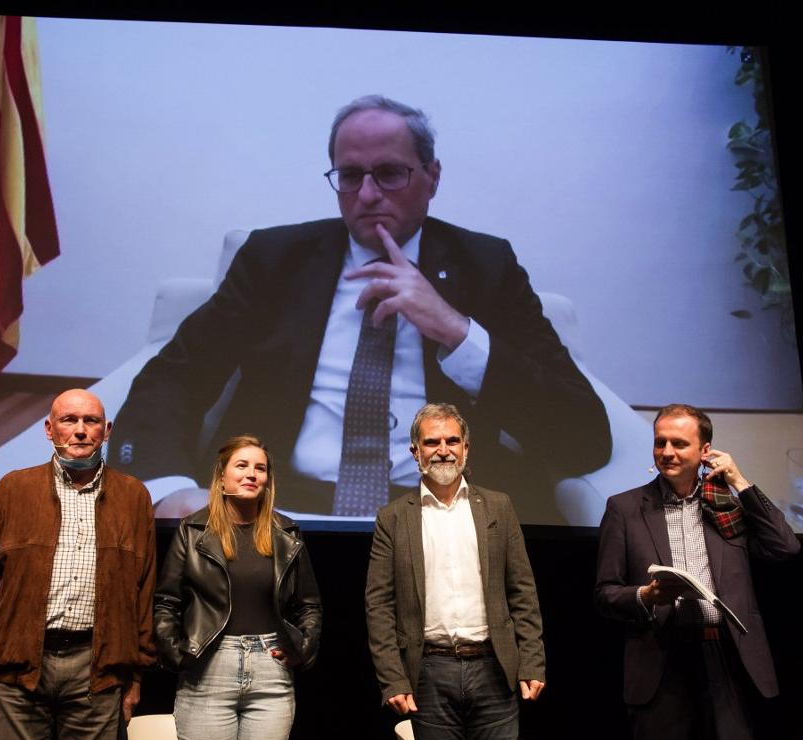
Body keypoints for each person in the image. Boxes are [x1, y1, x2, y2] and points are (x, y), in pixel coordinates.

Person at [107, 94, 610, 523]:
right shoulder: (275, 260)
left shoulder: (486, 266)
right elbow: (173, 378)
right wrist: (170, 488)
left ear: (432, 177)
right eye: (350, 176)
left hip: (445, 513)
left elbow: (584, 435)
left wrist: (455, 331)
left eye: (390, 174)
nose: (367, 194)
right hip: (277, 507)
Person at [0, 389, 157, 740]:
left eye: (91, 421)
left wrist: (135, 676)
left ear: (107, 430)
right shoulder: (13, 489)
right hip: (17, 665)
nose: (80, 430)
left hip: (98, 669)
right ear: (49, 429)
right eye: (69, 420)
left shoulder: (133, 497)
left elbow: (142, 593)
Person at [594, 404, 800, 740]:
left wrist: (740, 482)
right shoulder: (624, 508)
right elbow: (605, 593)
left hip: (724, 656)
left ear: (705, 450)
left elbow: (785, 547)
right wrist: (645, 595)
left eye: (679, 443)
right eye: (660, 442)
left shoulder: (728, 506)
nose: (667, 452)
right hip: (661, 658)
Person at [365, 402, 545, 740]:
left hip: (494, 668)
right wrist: (392, 678)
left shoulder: (498, 507)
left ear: (466, 448)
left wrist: (532, 661)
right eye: (432, 442)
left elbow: (522, 592)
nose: (443, 450)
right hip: (429, 672)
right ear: (415, 451)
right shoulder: (393, 517)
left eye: (452, 441)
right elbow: (379, 605)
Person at [154, 434, 322, 740]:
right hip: (208, 670)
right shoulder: (193, 529)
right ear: (221, 477)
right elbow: (166, 602)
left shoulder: (286, 533)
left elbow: (309, 605)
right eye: (242, 465)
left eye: (260, 468)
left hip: (270, 674)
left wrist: (302, 648)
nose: (251, 474)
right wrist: (179, 655)